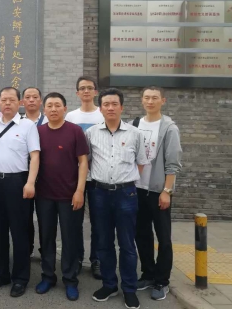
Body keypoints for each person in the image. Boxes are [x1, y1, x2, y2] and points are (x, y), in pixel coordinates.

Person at [86, 88, 148, 309]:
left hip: (126, 194)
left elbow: (140, 163)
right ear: (100, 108)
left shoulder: (135, 134)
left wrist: (124, 180)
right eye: (106, 104)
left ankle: (129, 289)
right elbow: (87, 162)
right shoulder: (91, 133)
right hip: (99, 193)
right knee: (103, 242)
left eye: (114, 104)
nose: (110, 108)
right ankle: (109, 284)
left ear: (121, 107)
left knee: (127, 244)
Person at [0, 87, 40, 298]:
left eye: (12, 100)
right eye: (4, 100)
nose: (7, 103)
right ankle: (1, 274)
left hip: (18, 183)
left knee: (19, 232)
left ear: (20, 103)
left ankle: (20, 278)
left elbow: (35, 156)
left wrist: (30, 182)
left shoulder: (28, 126)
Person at [34, 92, 89, 301]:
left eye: (57, 105)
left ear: (65, 109)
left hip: (69, 195)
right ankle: (48, 276)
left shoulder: (75, 131)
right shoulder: (38, 131)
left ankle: (70, 279)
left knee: (70, 238)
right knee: (46, 238)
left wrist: (80, 191)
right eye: (49, 105)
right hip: (44, 195)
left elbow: (83, 162)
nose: (53, 109)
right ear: (44, 109)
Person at [134, 87, 182, 301]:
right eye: (147, 97)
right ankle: (148, 273)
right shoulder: (135, 124)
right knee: (142, 234)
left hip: (158, 191)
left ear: (163, 100)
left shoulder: (169, 128)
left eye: (155, 98)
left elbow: (173, 163)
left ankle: (162, 281)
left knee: (163, 237)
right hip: (137, 189)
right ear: (142, 100)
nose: (150, 101)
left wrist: (167, 191)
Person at [65, 76, 104, 280]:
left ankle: (97, 259)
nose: (86, 91)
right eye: (82, 88)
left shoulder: (103, 113)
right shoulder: (71, 116)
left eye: (90, 88)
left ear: (96, 92)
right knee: (75, 221)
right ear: (77, 93)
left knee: (98, 221)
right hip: (76, 176)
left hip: (98, 176)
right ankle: (77, 257)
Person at [20, 86, 47, 258]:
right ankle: (27, 248)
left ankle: (46, 251)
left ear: (41, 101)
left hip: (46, 176)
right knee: (25, 216)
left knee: (45, 217)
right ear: (22, 101)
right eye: (28, 97)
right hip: (24, 176)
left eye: (35, 97)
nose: (31, 100)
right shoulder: (17, 122)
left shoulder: (48, 121)